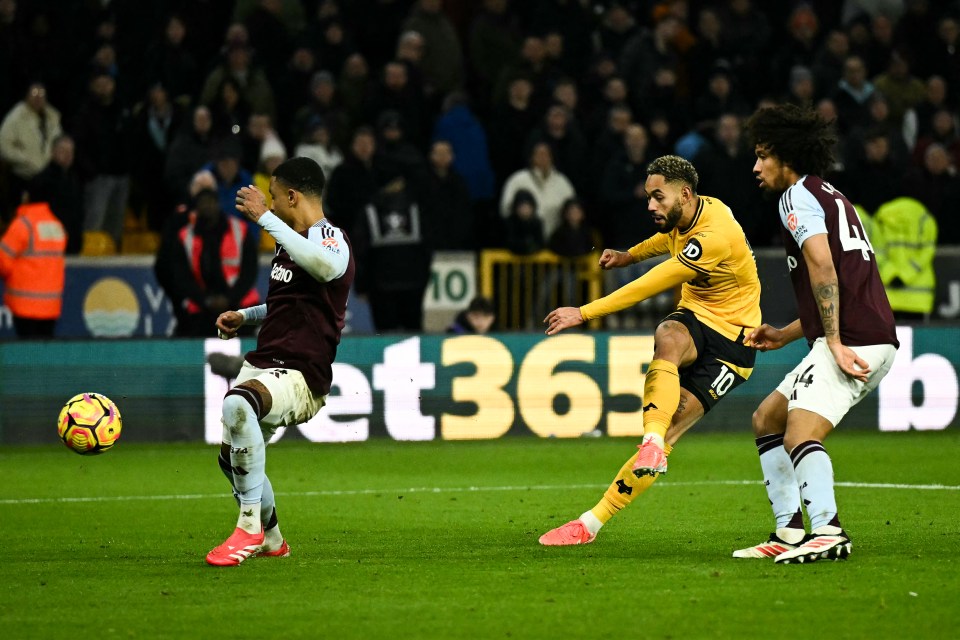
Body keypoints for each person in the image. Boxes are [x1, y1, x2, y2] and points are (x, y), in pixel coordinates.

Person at [538, 155, 761, 546]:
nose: (650, 205)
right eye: (648, 196)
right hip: (698, 316)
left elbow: (655, 281)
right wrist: (631, 254)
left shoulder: (715, 234)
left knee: (673, 421)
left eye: (658, 197)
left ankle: (593, 520)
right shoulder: (689, 216)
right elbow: (667, 241)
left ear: (685, 194)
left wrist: (584, 312)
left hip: (735, 342)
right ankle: (650, 447)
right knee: (669, 333)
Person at [738, 103, 899, 564]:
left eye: (762, 156)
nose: (756, 167)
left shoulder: (796, 198)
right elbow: (840, 280)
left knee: (799, 432)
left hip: (853, 337)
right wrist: (787, 335)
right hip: (860, 331)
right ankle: (789, 532)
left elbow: (824, 270)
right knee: (767, 419)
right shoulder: (827, 194)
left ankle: (827, 530)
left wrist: (831, 342)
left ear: (786, 156)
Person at [205, 156, 355, 566]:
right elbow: (287, 305)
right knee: (231, 458)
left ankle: (248, 527)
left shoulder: (331, 238)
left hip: (301, 373)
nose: (268, 204)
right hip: (266, 361)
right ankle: (272, 538)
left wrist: (265, 218)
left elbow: (326, 267)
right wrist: (247, 315)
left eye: (273, 197)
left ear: (292, 197)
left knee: (238, 404)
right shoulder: (288, 244)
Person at [154, 188, 260, 337]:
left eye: (210, 202)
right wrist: (206, 301)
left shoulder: (240, 230)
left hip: (240, 303)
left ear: (218, 204)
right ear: (196, 208)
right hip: (201, 307)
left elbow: (250, 271)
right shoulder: (185, 237)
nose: (207, 206)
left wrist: (229, 299)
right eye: (202, 203)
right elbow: (182, 278)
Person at [0, 199, 67, 337]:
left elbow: (2, 260)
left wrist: (10, 277)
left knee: (27, 353)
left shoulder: (23, 225)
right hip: (50, 305)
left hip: (24, 304)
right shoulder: (56, 225)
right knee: (44, 353)